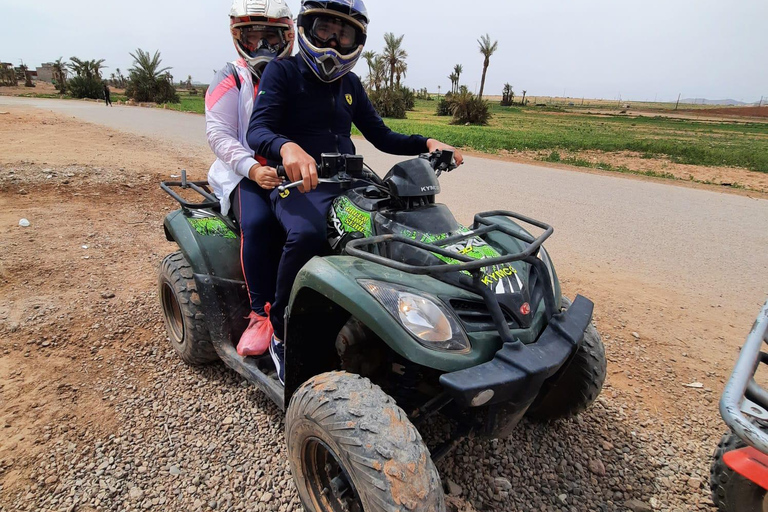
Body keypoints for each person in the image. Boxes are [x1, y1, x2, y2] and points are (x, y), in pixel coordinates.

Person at [247, 0, 463, 384]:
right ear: (306, 28)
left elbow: (381, 135)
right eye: (324, 29)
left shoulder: (351, 85)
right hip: (297, 185)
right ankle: (281, 330)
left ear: (356, 40)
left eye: (343, 32)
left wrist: (426, 142)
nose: (332, 40)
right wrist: (287, 148)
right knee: (309, 235)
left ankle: (411, 320)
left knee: (396, 223)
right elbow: (257, 130)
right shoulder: (283, 72)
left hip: (349, 180)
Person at [206, 0, 295, 358]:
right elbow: (219, 133)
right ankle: (261, 314)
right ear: (238, 37)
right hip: (247, 172)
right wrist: (253, 168)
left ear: (286, 36)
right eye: (252, 38)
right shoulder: (232, 76)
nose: (261, 48)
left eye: (269, 39)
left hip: (294, 171)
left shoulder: (300, 73)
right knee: (258, 224)